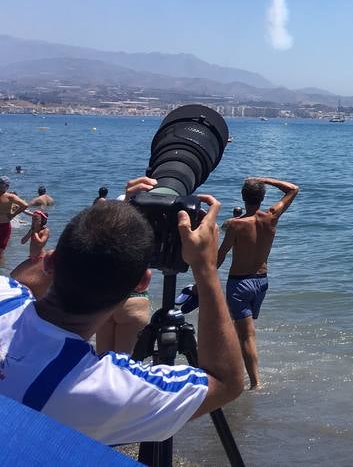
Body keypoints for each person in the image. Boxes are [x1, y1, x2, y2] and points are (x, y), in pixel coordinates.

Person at [0, 176, 242, 445]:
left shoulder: (5, 296)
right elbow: (225, 382)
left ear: (53, 260)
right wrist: (205, 267)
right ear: (142, 282)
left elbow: (24, 281)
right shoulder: (95, 391)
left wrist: (116, 217)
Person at [216, 175, 300, 389]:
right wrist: (265, 180)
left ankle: (255, 383)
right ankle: (235, 367)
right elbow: (293, 189)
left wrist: (203, 277)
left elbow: (221, 255)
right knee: (244, 331)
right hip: (261, 282)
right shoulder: (271, 217)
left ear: (243, 197)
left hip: (239, 284)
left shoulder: (235, 225)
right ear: (262, 198)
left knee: (246, 335)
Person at [0, 176, 29, 253]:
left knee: (1, 250)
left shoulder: (10, 197)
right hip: (5, 223)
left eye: (2, 184)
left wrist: (12, 215)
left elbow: (25, 205)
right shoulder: (10, 197)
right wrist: (12, 215)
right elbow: (25, 205)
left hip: (5, 225)